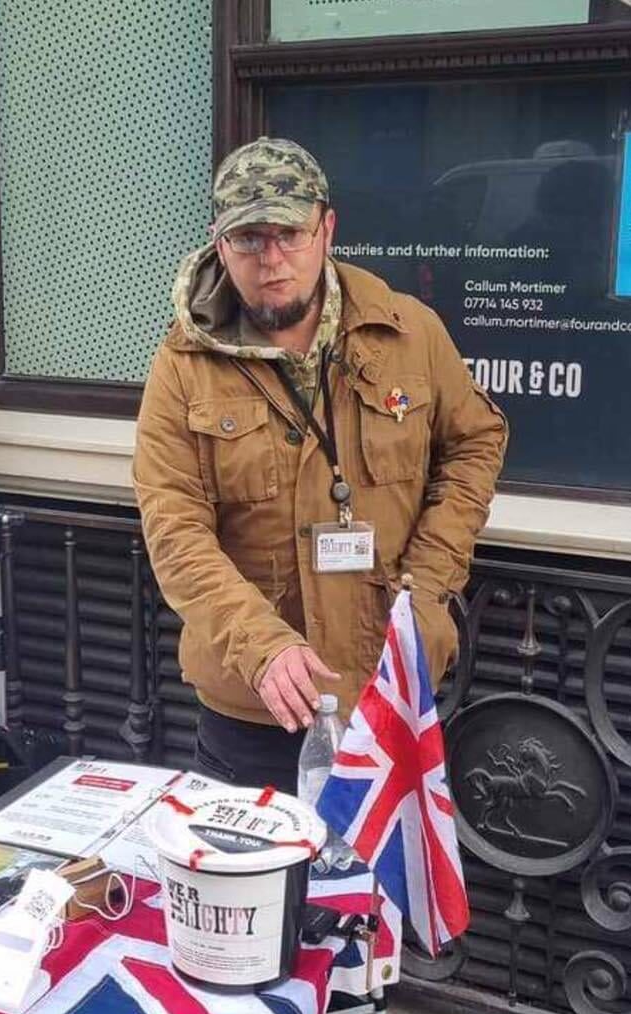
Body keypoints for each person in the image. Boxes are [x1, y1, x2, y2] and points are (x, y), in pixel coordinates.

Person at [133, 137, 507, 794]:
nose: (271, 259)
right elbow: (175, 528)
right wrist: (262, 647)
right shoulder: (183, 365)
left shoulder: (409, 331)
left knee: (375, 895)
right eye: (248, 240)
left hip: (389, 682)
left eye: (290, 234)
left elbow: (475, 443)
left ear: (326, 228)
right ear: (220, 244)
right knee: (261, 892)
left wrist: (426, 592)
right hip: (257, 705)